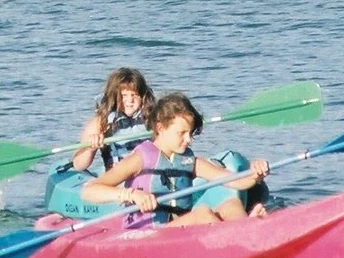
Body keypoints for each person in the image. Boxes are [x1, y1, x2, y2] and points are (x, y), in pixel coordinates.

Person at [81, 93, 268, 227]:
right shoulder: (140, 158)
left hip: (180, 226)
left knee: (232, 205)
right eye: (182, 133)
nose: (189, 139)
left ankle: (249, 231)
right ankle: (242, 238)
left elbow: (236, 181)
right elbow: (90, 191)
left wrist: (256, 174)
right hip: (148, 232)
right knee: (202, 213)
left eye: (190, 133)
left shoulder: (189, 160)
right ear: (160, 128)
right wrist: (133, 195)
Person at [69, 67, 156, 174]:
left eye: (134, 95)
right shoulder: (101, 123)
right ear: (113, 97)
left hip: (150, 174)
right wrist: (90, 149)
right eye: (123, 95)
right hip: (118, 177)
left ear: (143, 97)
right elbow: (78, 165)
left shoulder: (154, 118)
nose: (130, 100)